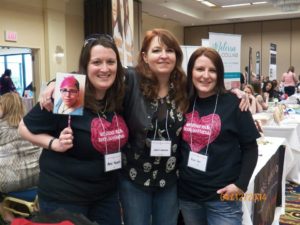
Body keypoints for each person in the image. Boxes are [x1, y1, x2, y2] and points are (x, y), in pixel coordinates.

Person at [39, 29, 250, 225]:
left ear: (177, 56)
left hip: (169, 181)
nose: (163, 55)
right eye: (156, 50)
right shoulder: (130, 80)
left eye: (169, 50)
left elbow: (210, 89)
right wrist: (52, 84)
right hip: (134, 179)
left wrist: (237, 93)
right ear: (144, 56)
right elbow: (98, 72)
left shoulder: (185, 86)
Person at [18, 34, 129, 225]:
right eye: (97, 62)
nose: (104, 68)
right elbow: (24, 128)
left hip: (106, 195)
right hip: (65, 198)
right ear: (86, 65)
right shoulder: (71, 93)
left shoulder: (118, 96)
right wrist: (54, 144)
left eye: (110, 62)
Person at [178, 47, 259, 225]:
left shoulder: (235, 104)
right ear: (191, 71)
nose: (205, 75)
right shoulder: (183, 102)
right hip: (188, 196)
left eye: (212, 70)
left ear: (219, 74)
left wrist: (241, 185)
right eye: (199, 69)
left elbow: (250, 148)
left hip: (223, 198)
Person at [0, 92, 42, 222]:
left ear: (4, 108)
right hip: (38, 180)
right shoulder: (34, 125)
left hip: (9, 183)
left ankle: (8, 216)